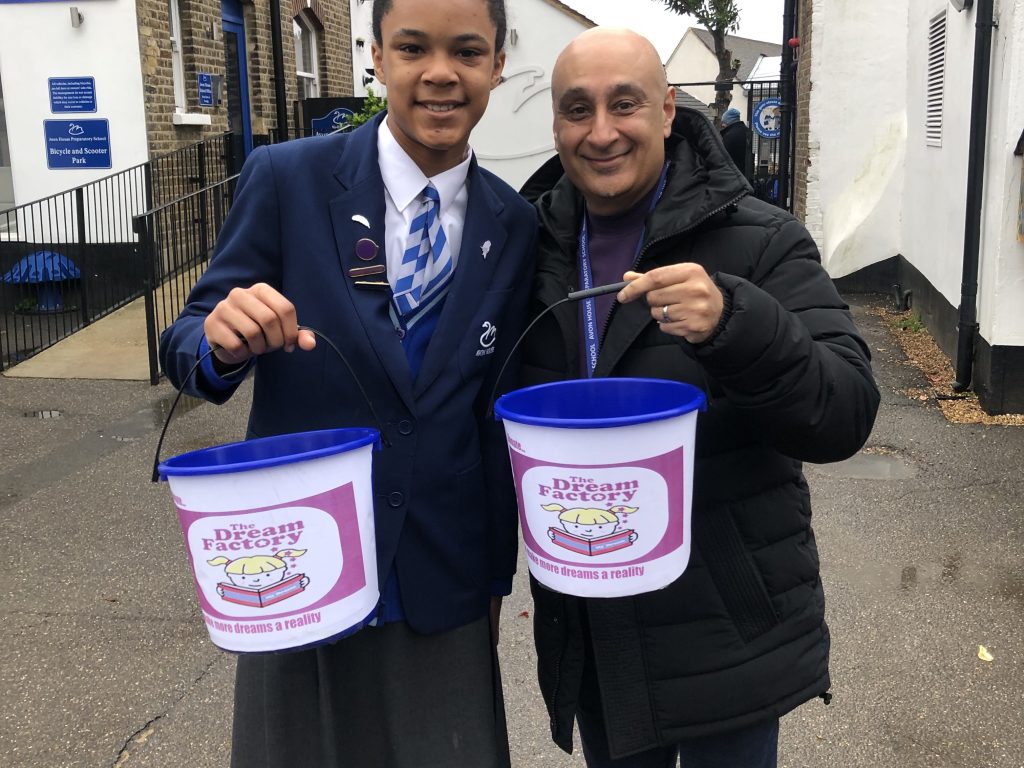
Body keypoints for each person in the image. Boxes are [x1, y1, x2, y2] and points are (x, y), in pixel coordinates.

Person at [158, 1, 535, 765]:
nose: (439, 73)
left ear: (498, 63)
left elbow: (494, 421)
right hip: (302, 576)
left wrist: (493, 582)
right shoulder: (286, 180)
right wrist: (220, 342)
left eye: (467, 51)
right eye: (412, 47)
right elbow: (186, 340)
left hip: (441, 584)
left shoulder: (516, 223)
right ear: (377, 57)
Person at [519, 28, 880, 767]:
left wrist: (735, 325)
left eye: (625, 104)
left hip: (729, 631)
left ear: (667, 108)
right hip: (596, 625)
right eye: (577, 110)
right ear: (555, 125)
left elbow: (844, 411)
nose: (602, 131)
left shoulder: (761, 239)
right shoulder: (527, 248)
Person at [720, 106, 749, 174]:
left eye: (724, 122)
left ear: (729, 121)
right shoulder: (747, 132)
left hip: (733, 174)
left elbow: (722, 156)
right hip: (746, 173)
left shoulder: (729, 135)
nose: (723, 125)